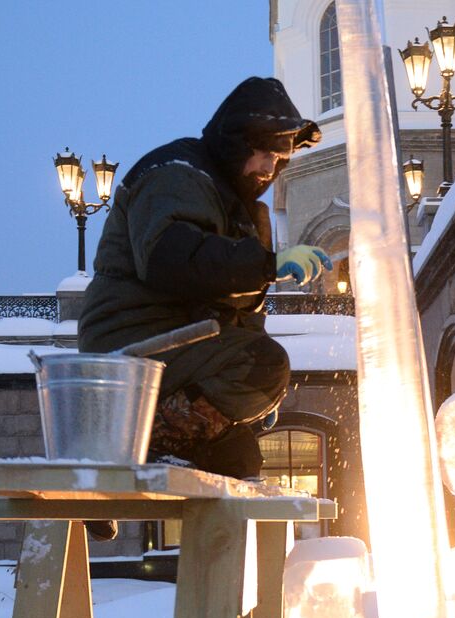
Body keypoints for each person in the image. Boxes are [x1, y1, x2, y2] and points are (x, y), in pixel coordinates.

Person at [77, 76, 332, 479]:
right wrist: (265, 265)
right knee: (263, 365)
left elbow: (239, 317)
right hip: (133, 341)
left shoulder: (239, 210)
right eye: (263, 152)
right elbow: (171, 260)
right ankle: (138, 447)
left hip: (181, 342)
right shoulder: (176, 174)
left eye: (279, 157)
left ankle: (162, 450)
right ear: (235, 144)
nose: (270, 167)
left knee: (239, 461)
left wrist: (256, 398)